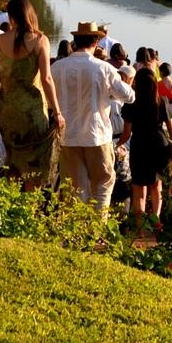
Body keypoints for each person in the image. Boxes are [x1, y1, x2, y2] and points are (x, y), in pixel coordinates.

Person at [51, 21, 133, 211]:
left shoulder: (57, 67)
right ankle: (96, 231)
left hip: (68, 136)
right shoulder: (103, 68)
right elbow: (129, 96)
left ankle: (75, 232)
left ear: (75, 42)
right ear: (96, 42)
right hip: (97, 135)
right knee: (103, 183)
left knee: (74, 188)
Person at [0, 0, 64, 191]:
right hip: (34, 112)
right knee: (34, 165)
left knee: (13, 161)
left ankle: (11, 204)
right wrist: (58, 112)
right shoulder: (40, 40)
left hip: (8, 112)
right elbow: (46, 79)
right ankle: (28, 208)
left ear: (10, 17)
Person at [118, 69, 172, 226]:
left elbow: (126, 134)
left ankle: (139, 227)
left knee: (138, 187)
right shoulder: (162, 101)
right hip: (159, 145)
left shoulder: (130, 103)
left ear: (137, 83)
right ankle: (156, 222)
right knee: (156, 185)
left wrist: (117, 145)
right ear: (155, 83)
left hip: (139, 145)